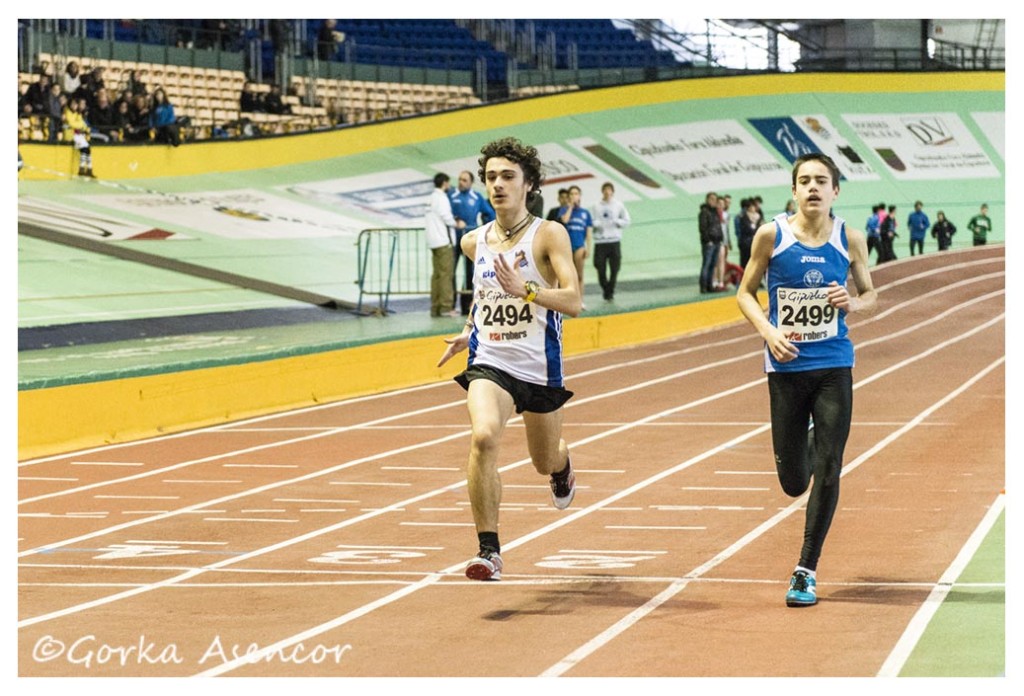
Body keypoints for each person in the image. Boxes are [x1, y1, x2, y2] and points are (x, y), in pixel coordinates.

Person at [736, 152, 877, 608]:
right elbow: (745, 293)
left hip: (834, 364)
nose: (813, 188)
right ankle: (813, 438)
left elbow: (870, 293)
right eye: (805, 181)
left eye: (822, 181)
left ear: (836, 190)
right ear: (793, 190)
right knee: (794, 482)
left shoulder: (850, 239)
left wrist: (853, 304)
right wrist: (769, 331)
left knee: (831, 466)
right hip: (787, 369)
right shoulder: (770, 236)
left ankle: (805, 569)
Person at [437, 136, 581, 581]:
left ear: (529, 184)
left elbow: (574, 301)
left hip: (538, 368)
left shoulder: (549, 234)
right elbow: (483, 295)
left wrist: (529, 291)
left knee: (543, 461)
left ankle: (562, 464)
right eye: (491, 177)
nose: (498, 185)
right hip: (491, 361)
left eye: (508, 176)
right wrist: (467, 330)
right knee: (483, 436)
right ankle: (489, 551)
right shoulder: (472, 242)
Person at [449, 170, 495, 315]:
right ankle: (450, 305)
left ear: (470, 182)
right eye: (460, 179)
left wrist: (484, 228)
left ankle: (465, 306)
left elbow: (490, 213)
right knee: (450, 273)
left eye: (464, 180)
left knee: (470, 274)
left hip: (470, 241)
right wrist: (455, 220)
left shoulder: (476, 197)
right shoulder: (451, 195)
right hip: (453, 240)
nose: (461, 182)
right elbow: (445, 213)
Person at [426, 172, 459, 317]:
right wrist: (456, 223)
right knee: (446, 275)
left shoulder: (430, 198)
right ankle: (446, 307)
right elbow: (446, 217)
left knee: (437, 276)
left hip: (433, 241)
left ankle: (435, 307)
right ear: (445, 183)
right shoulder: (442, 198)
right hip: (443, 241)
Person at [591, 182, 631, 301]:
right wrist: (597, 224)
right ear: (602, 191)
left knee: (615, 268)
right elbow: (591, 221)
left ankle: (609, 292)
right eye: (605, 190)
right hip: (600, 241)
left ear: (612, 192)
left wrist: (617, 222)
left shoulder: (619, 205)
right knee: (599, 267)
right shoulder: (596, 206)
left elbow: (627, 221)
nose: (607, 192)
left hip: (614, 240)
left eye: (609, 190)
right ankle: (606, 289)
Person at [559, 184, 593, 305]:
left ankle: (580, 300)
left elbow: (589, 233)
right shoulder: (564, 209)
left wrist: (588, 248)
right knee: (568, 276)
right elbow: (565, 220)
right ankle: (568, 300)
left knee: (579, 274)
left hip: (579, 246)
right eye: (571, 194)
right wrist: (570, 207)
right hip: (566, 247)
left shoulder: (585, 213)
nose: (574, 196)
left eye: (576, 194)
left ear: (580, 196)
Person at [62, 96, 94, 177]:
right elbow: (71, 123)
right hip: (71, 134)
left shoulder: (77, 114)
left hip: (78, 134)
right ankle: (82, 168)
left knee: (87, 150)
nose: (74, 106)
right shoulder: (67, 112)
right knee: (84, 149)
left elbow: (82, 124)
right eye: (73, 104)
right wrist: (79, 126)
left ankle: (88, 168)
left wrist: (83, 127)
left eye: (76, 104)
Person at [698, 191, 723, 293]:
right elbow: (703, 228)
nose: (713, 201)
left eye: (715, 199)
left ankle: (709, 285)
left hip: (716, 241)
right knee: (706, 264)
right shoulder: (704, 212)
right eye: (711, 199)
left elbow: (718, 226)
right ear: (707, 200)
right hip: (709, 242)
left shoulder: (715, 212)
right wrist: (708, 240)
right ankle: (703, 286)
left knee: (713, 265)